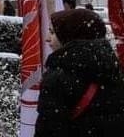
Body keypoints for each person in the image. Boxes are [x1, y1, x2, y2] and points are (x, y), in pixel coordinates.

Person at [35, 8, 124, 136]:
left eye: (53, 32)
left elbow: (49, 130)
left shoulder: (58, 79)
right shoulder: (112, 69)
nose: (48, 39)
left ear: (70, 36)